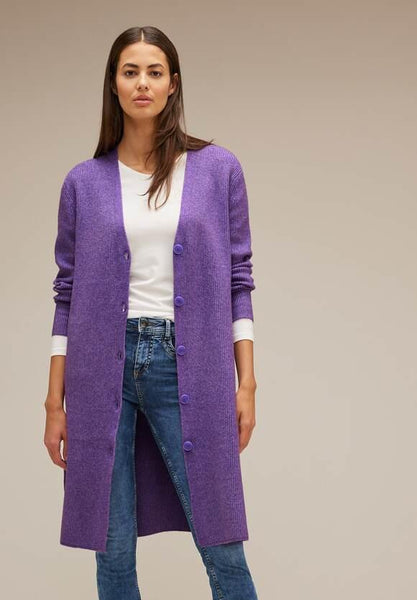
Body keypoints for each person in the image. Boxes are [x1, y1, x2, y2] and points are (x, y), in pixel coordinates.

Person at [44, 25, 258, 600]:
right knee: (112, 549)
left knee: (222, 544)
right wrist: (54, 401)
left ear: (173, 85)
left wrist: (246, 382)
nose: (142, 83)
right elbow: (66, 294)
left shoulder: (217, 170)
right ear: (114, 85)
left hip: (186, 363)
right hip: (99, 371)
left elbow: (239, 279)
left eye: (154, 72)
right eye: (130, 71)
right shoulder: (83, 183)